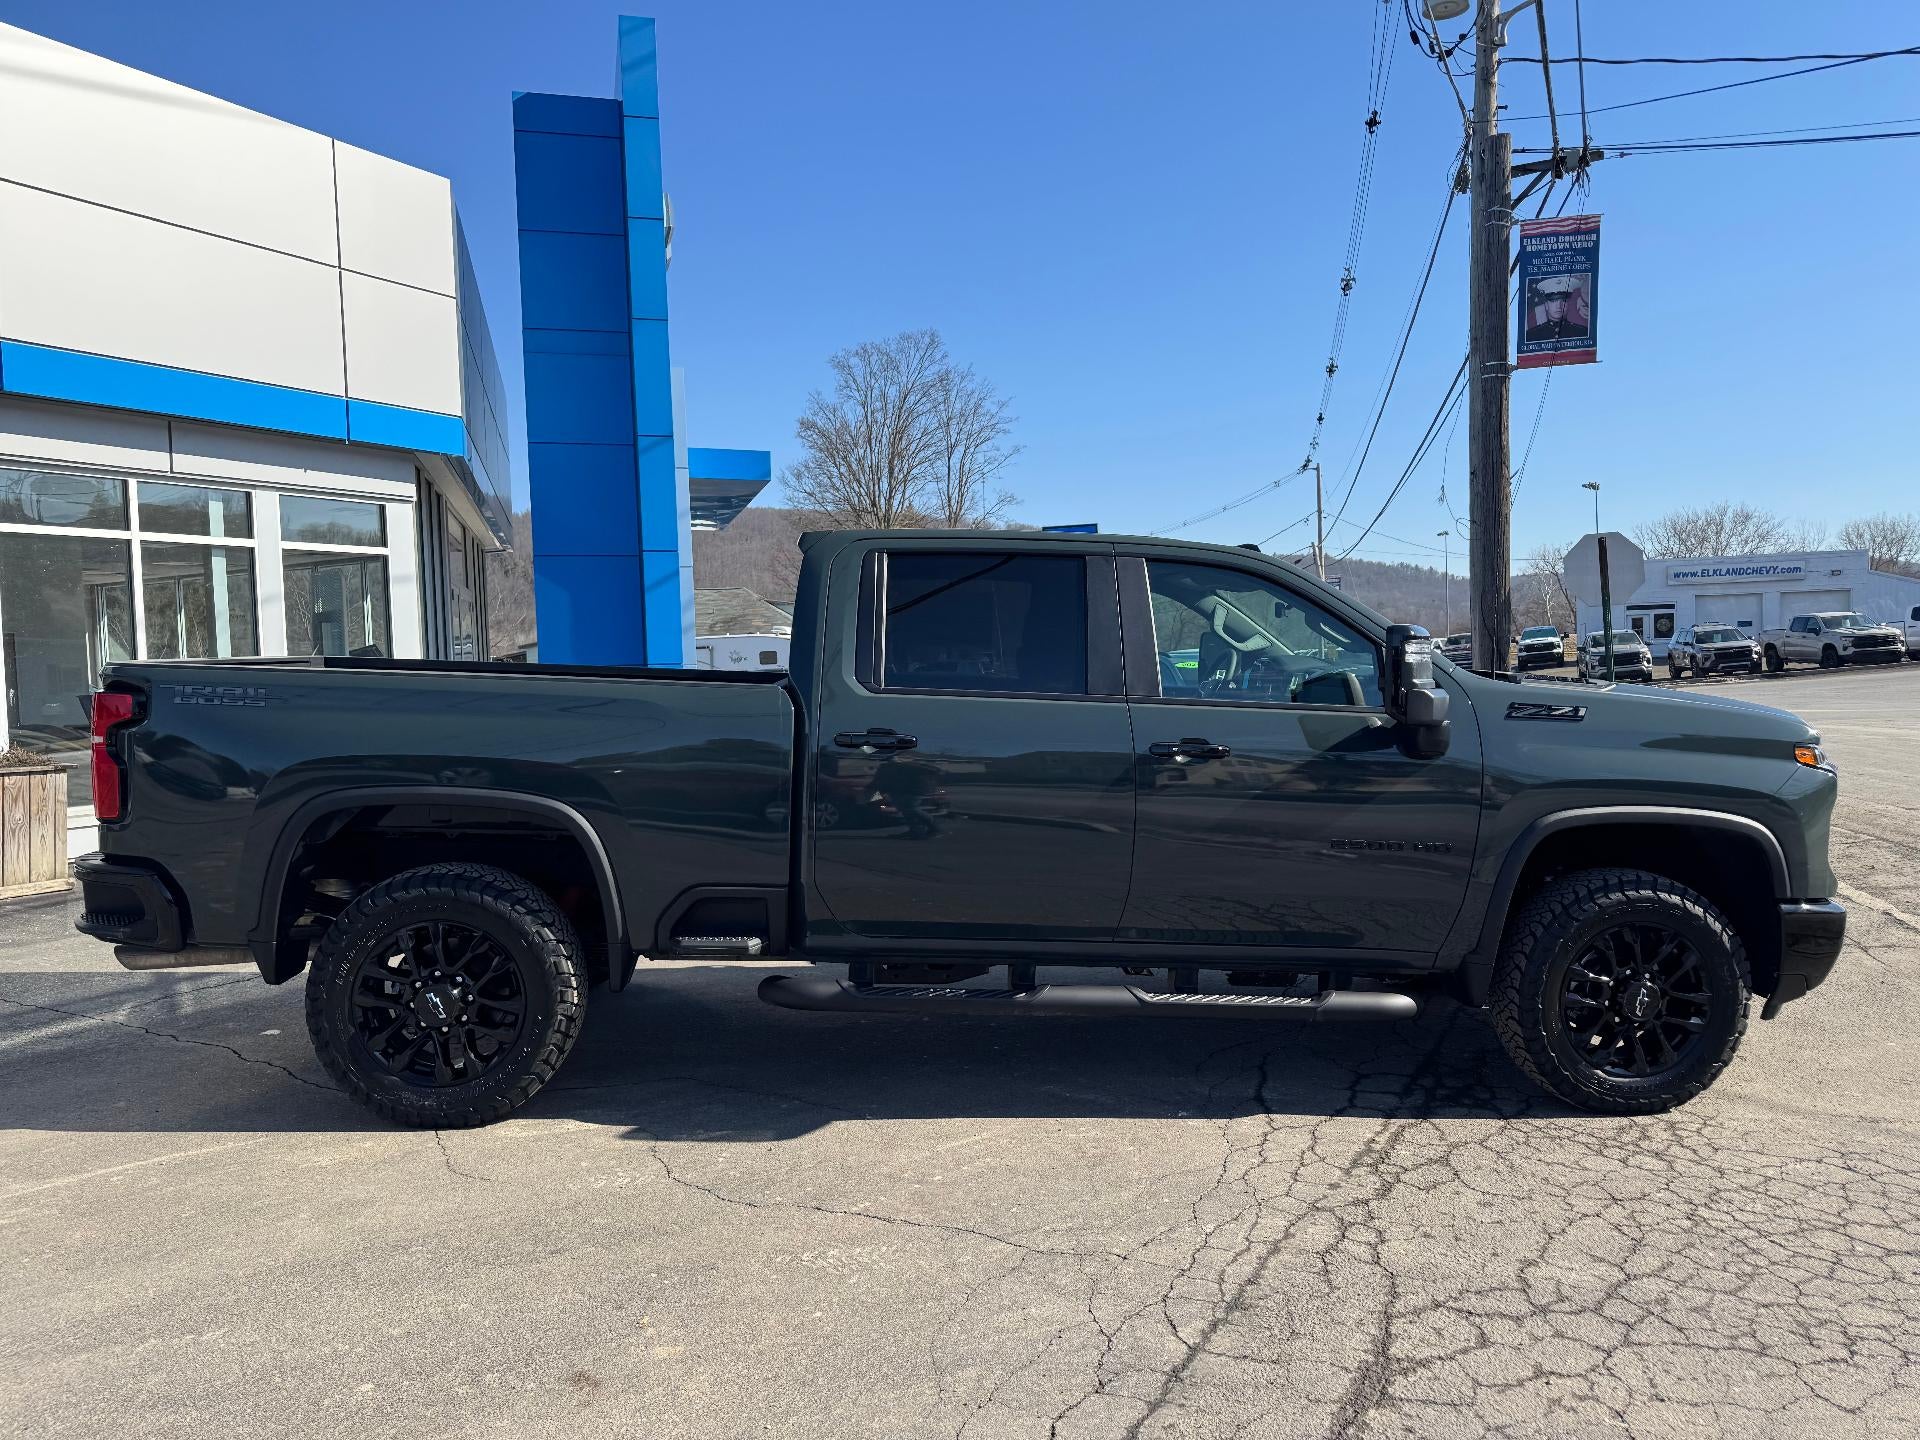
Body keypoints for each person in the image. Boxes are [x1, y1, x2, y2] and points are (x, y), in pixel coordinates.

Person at [1525, 275, 1588, 342]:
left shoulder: (1582, 332)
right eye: (1553, 301)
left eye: (1563, 300)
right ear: (1546, 305)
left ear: (1569, 304)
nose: (1558, 306)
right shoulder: (1531, 335)